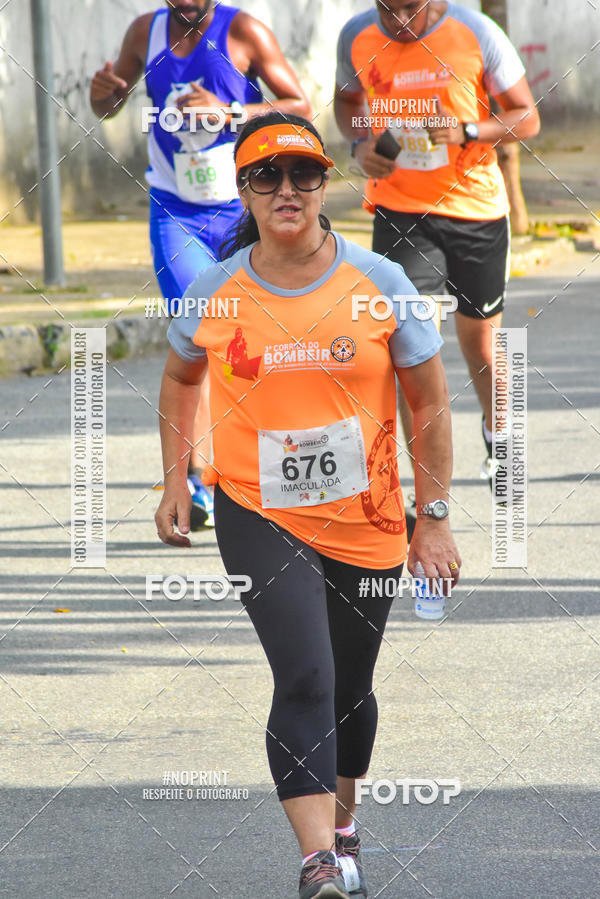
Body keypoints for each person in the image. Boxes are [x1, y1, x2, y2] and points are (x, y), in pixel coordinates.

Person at [155, 112, 461, 899]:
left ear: (326, 184)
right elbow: (182, 378)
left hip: (368, 515)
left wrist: (434, 516)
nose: (286, 190)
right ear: (244, 191)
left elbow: (428, 401)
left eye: (302, 174)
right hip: (259, 511)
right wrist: (174, 479)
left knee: (351, 689)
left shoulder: (381, 284)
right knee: (306, 676)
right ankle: (319, 857)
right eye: (266, 176)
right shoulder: (216, 292)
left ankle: (346, 816)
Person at [90, 0, 310, 527]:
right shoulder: (146, 31)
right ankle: (199, 480)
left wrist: (230, 113)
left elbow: (298, 104)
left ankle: (272, 458)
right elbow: (109, 103)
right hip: (176, 210)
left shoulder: (246, 30)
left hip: (244, 209)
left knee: (258, 337)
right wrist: (104, 99)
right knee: (199, 336)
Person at [334, 0, 540, 529]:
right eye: (389, 8)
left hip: (475, 210)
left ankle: (498, 433)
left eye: (411, 8)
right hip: (402, 211)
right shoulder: (357, 35)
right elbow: (348, 101)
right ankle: (427, 494)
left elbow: (527, 116)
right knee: (411, 343)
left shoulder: (476, 31)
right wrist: (359, 145)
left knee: (481, 346)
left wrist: (470, 132)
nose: (399, 20)